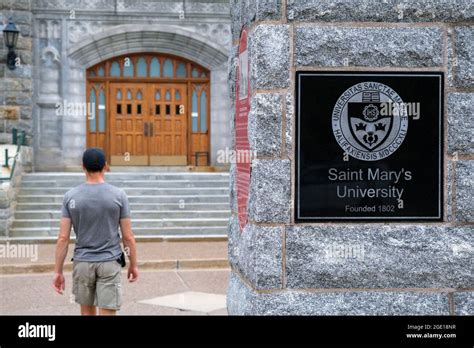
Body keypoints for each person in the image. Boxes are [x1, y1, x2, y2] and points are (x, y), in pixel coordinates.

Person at [52, 148, 138, 315]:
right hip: (109, 262)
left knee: (86, 312)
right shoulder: (119, 196)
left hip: (82, 263)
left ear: (83, 167)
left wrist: (58, 271)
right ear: (105, 166)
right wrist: (133, 264)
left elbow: (63, 238)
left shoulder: (71, 197)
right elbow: (128, 237)